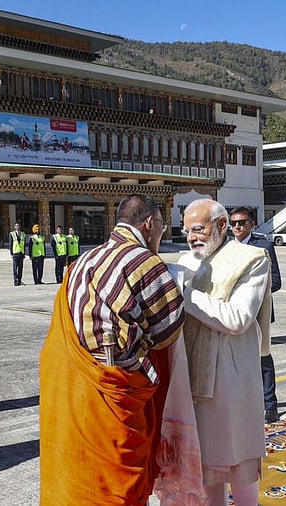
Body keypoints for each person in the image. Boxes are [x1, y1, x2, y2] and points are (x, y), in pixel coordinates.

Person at [39, 194, 185, 505]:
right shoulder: (144, 262)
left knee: (80, 470)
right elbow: (168, 329)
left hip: (78, 380)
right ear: (149, 224)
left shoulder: (84, 259)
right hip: (117, 384)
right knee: (115, 479)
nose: (161, 234)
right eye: (162, 225)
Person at [178, 198, 271, 506]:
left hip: (231, 377)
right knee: (205, 465)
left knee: (238, 458)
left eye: (198, 229)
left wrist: (185, 295)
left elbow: (238, 319)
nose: (191, 237)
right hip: (193, 375)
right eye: (187, 231)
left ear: (221, 225)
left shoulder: (250, 258)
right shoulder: (186, 262)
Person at [229, 206, 283, 423]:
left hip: (258, 312)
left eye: (242, 222)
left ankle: (270, 405)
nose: (237, 227)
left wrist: (251, 294)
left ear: (252, 224)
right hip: (232, 313)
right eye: (233, 223)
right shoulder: (226, 248)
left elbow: (276, 281)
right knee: (234, 360)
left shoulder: (263, 246)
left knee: (263, 358)